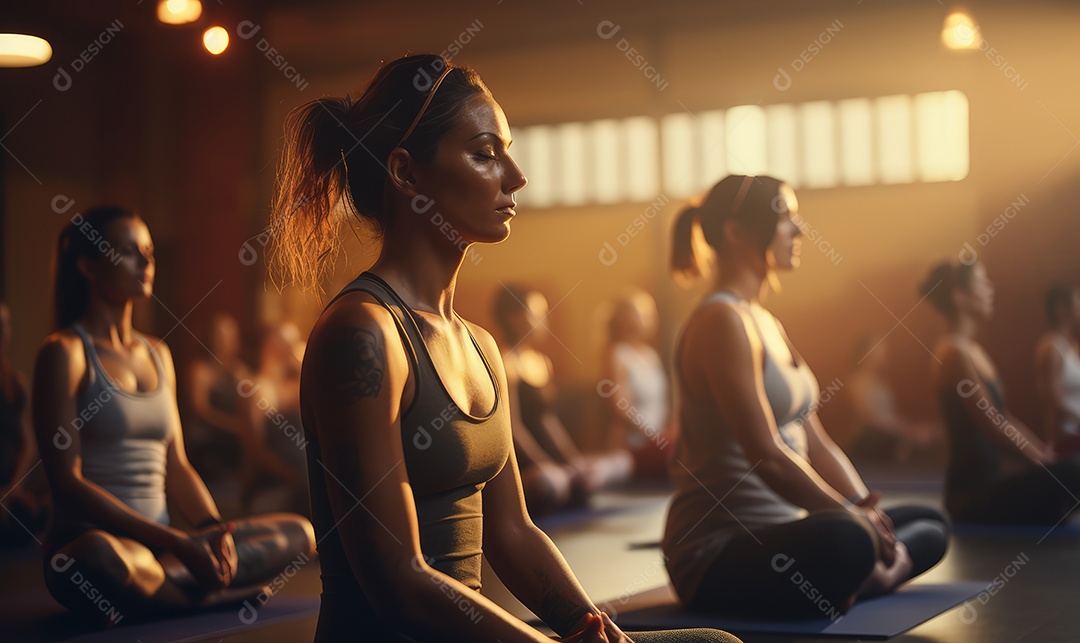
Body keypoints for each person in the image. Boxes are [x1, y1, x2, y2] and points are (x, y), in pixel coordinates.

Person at [268, 54, 737, 643]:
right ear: (406, 174)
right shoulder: (363, 335)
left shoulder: (482, 346)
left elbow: (512, 532)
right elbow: (396, 577)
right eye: (485, 153)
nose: (515, 176)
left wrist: (593, 627)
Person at [662, 175, 949, 620]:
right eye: (784, 218)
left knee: (929, 525)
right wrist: (856, 525)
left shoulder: (767, 322)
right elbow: (766, 454)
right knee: (849, 538)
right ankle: (865, 576)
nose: (798, 231)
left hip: (788, 533)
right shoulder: (720, 321)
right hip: (717, 554)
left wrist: (863, 509)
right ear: (737, 232)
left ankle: (859, 578)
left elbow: (817, 441)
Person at [33, 206, 315, 626]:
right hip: (101, 549)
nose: (146, 261)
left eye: (148, 250)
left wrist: (213, 531)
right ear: (89, 266)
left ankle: (169, 588)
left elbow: (177, 465)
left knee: (300, 533)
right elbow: (67, 484)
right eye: (128, 251)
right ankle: (199, 600)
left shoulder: (158, 354)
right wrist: (180, 543)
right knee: (97, 558)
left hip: (165, 554)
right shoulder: (65, 353)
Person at [924, 261, 1080, 524]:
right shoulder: (953, 354)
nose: (990, 290)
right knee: (1071, 473)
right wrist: (1044, 464)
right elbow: (993, 425)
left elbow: (1004, 415)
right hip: (974, 498)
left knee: (1065, 474)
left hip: (994, 485)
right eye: (982, 283)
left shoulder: (973, 350)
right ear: (959, 296)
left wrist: (1044, 454)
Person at [494, 285, 634, 515]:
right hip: (527, 465)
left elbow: (548, 421)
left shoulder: (542, 361)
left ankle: (567, 481)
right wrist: (543, 463)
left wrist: (574, 461)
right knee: (548, 483)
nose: (544, 320)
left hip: (552, 461)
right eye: (536, 314)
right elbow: (513, 428)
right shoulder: (505, 361)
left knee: (616, 465)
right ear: (514, 318)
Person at [599, 290, 675, 478]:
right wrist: (653, 435)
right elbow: (620, 408)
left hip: (656, 440)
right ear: (626, 318)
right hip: (632, 444)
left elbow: (661, 403)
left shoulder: (651, 354)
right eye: (645, 313)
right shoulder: (618, 355)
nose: (652, 318)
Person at [237, 322, 309, 515]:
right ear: (272, 346)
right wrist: (297, 478)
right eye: (290, 343)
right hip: (270, 485)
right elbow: (255, 450)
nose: (296, 347)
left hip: (299, 483)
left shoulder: (291, 388)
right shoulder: (254, 389)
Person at [845, 334, 940, 465]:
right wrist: (909, 433)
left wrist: (914, 428)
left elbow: (892, 415)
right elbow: (869, 418)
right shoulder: (856, 382)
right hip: (870, 437)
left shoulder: (882, 382)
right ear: (866, 351)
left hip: (891, 433)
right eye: (877, 347)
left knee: (932, 431)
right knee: (901, 442)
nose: (882, 351)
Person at [1, 301, 48, 548]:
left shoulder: (15, 382)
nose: (2, 330)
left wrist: (12, 490)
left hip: (11, 488)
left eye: (5, 325)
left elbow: (27, 442)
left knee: (36, 515)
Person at [182, 312, 249, 482]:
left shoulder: (238, 370)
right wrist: (234, 426)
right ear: (211, 337)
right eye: (222, 335)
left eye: (232, 335)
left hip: (233, 437)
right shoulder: (200, 370)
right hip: (208, 439)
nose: (228, 340)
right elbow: (200, 411)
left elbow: (254, 397)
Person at [1034, 283, 1080, 458]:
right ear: (1062, 309)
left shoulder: (1073, 346)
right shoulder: (1051, 348)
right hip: (1066, 438)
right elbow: (1053, 402)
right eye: (1077, 304)